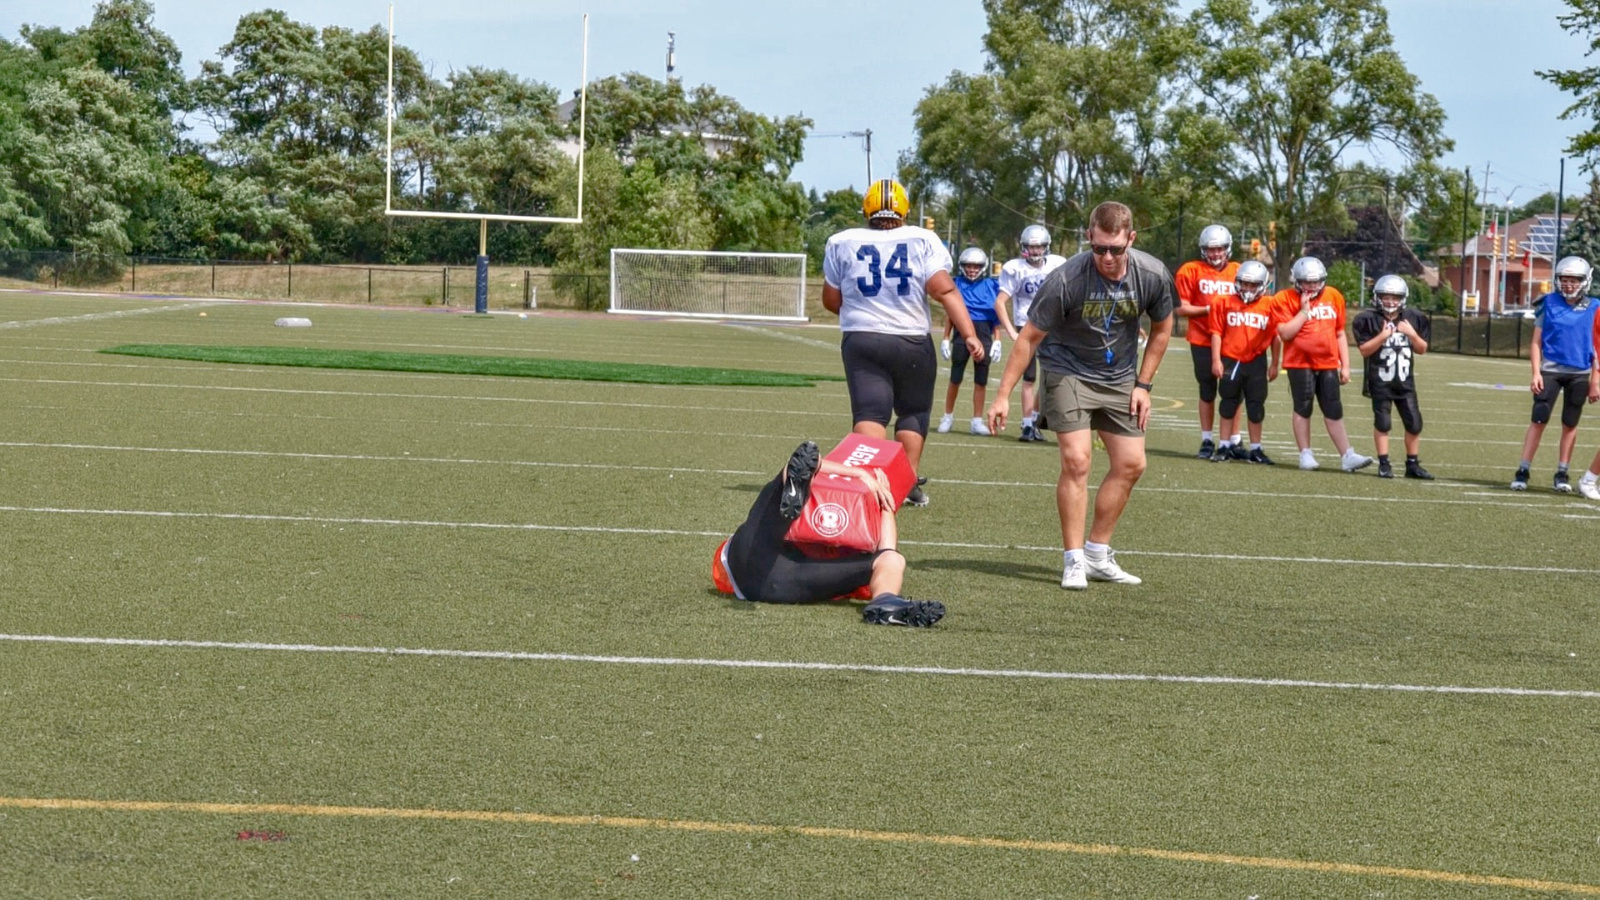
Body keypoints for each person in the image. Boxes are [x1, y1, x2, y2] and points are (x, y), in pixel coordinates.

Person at [985, 200, 1175, 590]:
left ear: (1131, 239)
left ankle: (1097, 554)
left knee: (1132, 464)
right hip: (1067, 369)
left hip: (1119, 375)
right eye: (1098, 247)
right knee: (1077, 460)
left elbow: (1162, 328)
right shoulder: (1066, 279)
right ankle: (1073, 559)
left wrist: (1143, 386)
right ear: (1088, 237)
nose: (1106, 257)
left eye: (1115, 249)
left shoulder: (1152, 274)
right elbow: (1029, 339)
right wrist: (1003, 396)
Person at [823, 179, 985, 507]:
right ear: (905, 211)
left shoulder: (841, 241)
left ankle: (870, 486)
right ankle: (905, 482)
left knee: (870, 413)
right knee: (913, 411)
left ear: (866, 211)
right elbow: (943, 289)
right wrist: (969, 333)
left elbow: (831, 300)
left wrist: (864, 312)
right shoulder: (922, 238)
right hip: (911, 338)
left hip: (862, 338)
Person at [711, 441, 946, 626]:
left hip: (748, 562)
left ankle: (792, 484)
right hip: (790, 581)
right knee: (891, 559)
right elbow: (888, 552)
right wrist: (884, 501)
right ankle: (886, 601)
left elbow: (809, 460)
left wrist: (858, 475)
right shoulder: (860, 525)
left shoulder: (844, 510)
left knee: (792, 474)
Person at [1273, 256, 1373, 473]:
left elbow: (1339, 333)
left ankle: (1347, 455)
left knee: (1333, 406)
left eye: (1316, 281)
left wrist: (1345, 365)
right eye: (1307, 282)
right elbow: (1285, 333)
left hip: (1328, 362)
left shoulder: (1333, 296)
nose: (1312, 286)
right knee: (1303, 406)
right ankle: (1305, 454)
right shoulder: (1284, 298)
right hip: (1299, 362)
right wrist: (1303, 311)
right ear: (1297, 281)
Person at [1512, 256, 1600, 492]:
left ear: (1585, 280)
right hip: (1550, 370)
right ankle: (1523, 470)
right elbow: (1536, 342)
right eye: (1565, 279)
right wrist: (1536, 373)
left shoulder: (1595, 306)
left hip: (1580, 373)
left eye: (1574, 280)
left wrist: (1595, 380)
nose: (1569, 284)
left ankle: (1562, 473)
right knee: (1538, 420)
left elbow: (1597, 347)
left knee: (1570, 423)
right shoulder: (1549, 302)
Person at [1351, 275, 1434, 479]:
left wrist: (1412, 334)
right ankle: (1384, 463)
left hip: (1405, 382)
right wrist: (1383, 336)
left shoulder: (1413, 318)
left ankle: (1412, 464)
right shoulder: (1368, 319)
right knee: (1383, 423)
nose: (1390, 301)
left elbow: (1422, 349)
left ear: (1403, 298)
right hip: (1380, 382)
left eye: (1395, 298)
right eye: (1386, 297)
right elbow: (1364, 350)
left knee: (1414, 423)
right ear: (1377, 297)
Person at [995, 225, 1069, 442]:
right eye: (1031, 247)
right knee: (1029, 378)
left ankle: (1035, 418)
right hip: (1026, 326)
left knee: (1049, 376)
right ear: (1024, 247)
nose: (1035, 251)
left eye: (1039, 247)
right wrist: (1011, 331)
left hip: (1052, 325)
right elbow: (1000, 302)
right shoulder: (1015, 268)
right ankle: (1027, 425)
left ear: (1046, 247)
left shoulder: (1057, 264)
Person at [1174, 224, 1240, 458]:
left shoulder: (1238, 270)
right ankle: (1207, 439)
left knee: (1233, 391)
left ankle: (1234, 440)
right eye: (1211, 249)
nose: (1215, 253)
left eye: (1219, 248)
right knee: (1207, 390)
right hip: (1202, 339)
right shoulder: (1190, 270)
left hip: (1233, 341)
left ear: (1227, 248)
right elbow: (1180, 308)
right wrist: (1209, 310)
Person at [1208, 260, 1281, 464]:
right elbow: (1216, 333)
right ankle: (1224, 445)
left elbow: (1276, 336)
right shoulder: (1223, 302)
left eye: (1253, 285)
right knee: (1228, 403)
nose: (1248, 289)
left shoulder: (1270, 305)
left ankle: (1256, 449)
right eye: (1245, 284)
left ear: (1263, 285)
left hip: (1256, 361)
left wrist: (1275, 363)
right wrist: (1216, 360)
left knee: (1256, 405)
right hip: (1231, 359)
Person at [938, 247, 1004, 436]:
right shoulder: (956, 283)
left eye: (976, 266)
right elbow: (950, 314)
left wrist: (997, 340)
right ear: (962, 266)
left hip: (984, 333)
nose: (972, 270)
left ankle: (976, 420)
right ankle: (947, 417)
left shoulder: (991, 285)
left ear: (983, 267)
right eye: (969, 266)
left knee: (981, 381)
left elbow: (996, 316)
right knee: (955, 377)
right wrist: (945, 338)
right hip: (961, 332)